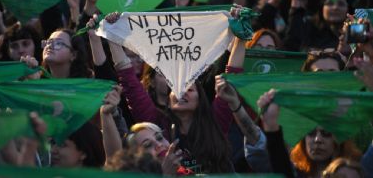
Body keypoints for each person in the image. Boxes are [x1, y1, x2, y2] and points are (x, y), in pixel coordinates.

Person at [102, 12, 270, 174]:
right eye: (177, 90)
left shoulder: (215, 123)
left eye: (190, 90)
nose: (183, 93)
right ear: (169, 99)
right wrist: (113, 33)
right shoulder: (156, 124)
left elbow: (232, 75)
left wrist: (240, 37)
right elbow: (129, 80)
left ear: (200, 99)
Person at [257, 89, 363, 178]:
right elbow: (279, 163)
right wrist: (270, 123)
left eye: (326, 133)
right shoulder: (295, 174)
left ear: (339, 139)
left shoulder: (355, 170)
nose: (317, 140)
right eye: (311, 133)